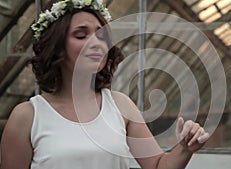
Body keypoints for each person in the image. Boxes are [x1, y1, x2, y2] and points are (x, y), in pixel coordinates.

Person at [0, 0, 210, 169]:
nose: (96, 42)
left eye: (101, 36)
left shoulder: (121, 106)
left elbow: (156, 166)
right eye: (81, 35)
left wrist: (185, 147)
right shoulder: (27, 116)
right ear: (57, 48)